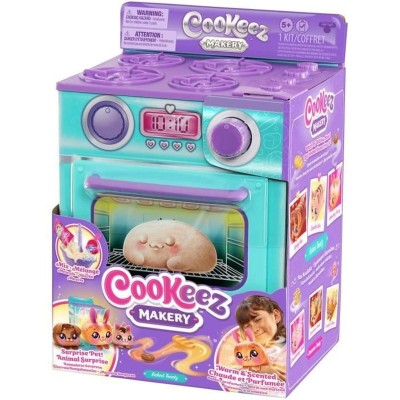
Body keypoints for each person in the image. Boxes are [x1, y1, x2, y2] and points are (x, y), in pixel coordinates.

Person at [235, 295, 286, 381]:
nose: (254, 329)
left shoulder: (287, 349)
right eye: (247, 326)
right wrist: (261, 370)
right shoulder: (246, 352)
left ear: (276, 316)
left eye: (258, 320)